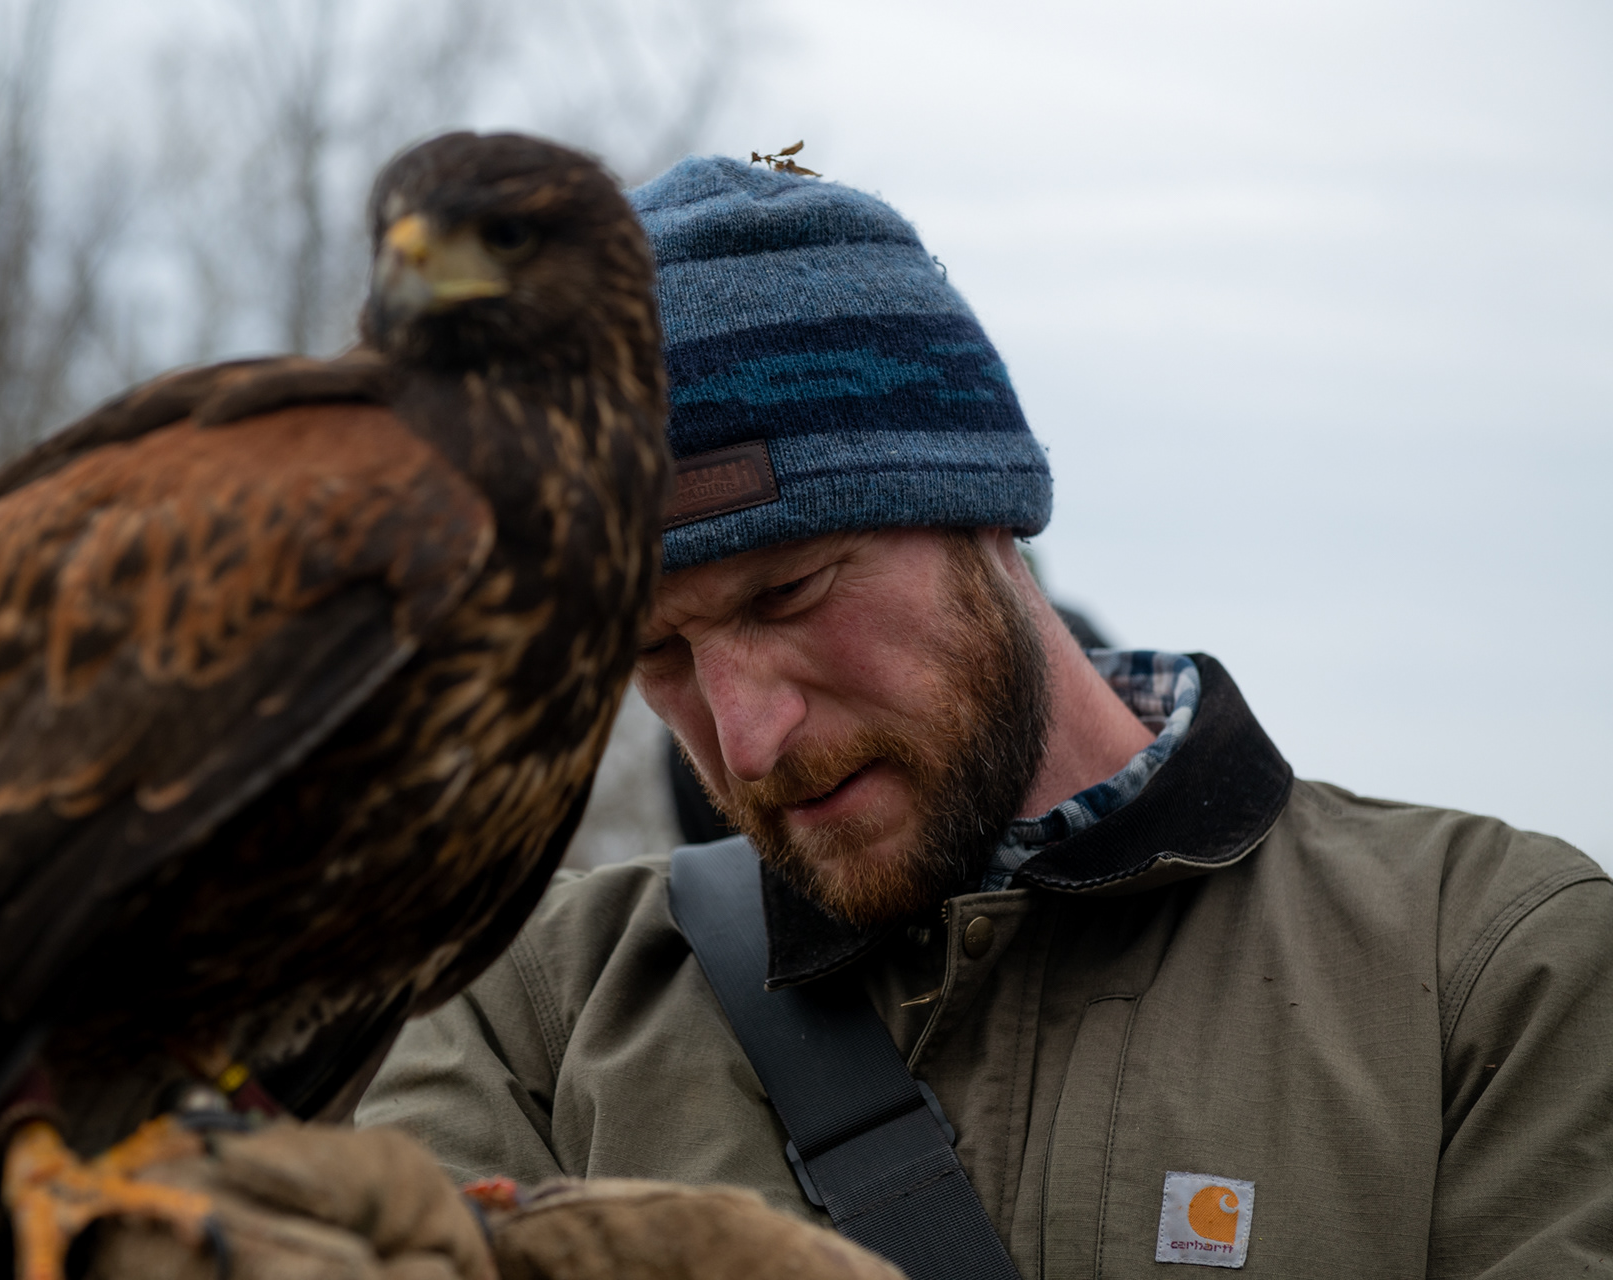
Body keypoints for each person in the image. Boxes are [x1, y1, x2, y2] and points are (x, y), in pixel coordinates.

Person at [355, 155, 1613, 1276]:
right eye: (656, 654)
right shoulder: (525, 1009)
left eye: (789, 592)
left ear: (987, 516)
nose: (746, 738)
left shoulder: (1492, 972)